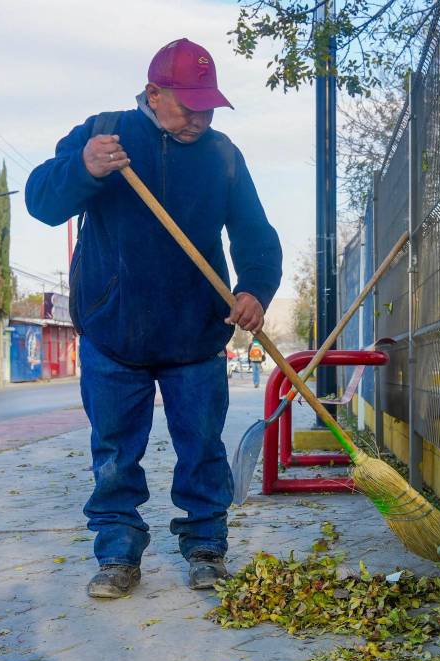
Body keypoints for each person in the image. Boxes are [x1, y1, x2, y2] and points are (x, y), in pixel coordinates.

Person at [25, 39, 282, 599]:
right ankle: (117, 553)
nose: (200, 117)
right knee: (115, 452)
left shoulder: (222, 155)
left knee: (203, 448)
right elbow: (42, 203)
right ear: (153, 93)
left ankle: (206, 546)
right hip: (114, 330)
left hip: (195, 332)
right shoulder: (105, 132)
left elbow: (255, 234)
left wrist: (255, 290)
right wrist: (85, 167)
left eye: (208, 105)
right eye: (188, 105)